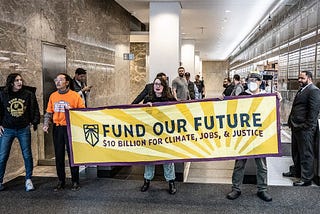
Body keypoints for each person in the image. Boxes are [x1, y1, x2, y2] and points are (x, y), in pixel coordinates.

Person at [226, 73, 275, 202]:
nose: (251, 83)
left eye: (253, 80)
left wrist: (278, 100)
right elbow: (233, 110)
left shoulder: (266, 97)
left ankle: (262, 189)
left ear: (259, 82)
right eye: (249, 80)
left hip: (260, 136)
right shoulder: (242, 96)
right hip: (244, 136)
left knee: (262, 165)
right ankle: (236, 188)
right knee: (239, 164)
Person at [43, 73, 85, 191]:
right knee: (59, 155)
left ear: (67, 82)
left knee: (72, 155)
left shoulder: (75, 96)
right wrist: (46, 124)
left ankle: (75, 181)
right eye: (56, 80)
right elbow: (49, 113)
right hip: (58, 128)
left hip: (70, 128)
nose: (58, 82)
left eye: (61, 80)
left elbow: (82, 112)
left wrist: (72, 112)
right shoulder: (53, 96)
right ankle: (61, 180)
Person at [0, 73, 40, 191]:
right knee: (2, 156)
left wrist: (34, 121)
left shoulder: (28, 94)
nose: (20, 82)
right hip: (7, 129)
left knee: (27, 155)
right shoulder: (3, 94)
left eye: (21, 80)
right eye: (17, 80)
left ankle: (28, 180)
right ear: (11, 82)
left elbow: (35, 108)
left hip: (23, 129)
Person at [140, 77, 177, 195]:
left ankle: (171, 182)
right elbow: (140, 114)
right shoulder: (148, 99)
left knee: (168, 159)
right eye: (156, 83)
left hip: (166, 134)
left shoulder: (170, 99)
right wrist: (146, 107)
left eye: (160, 84)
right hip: (151, 134)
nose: (157, 86)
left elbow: (177, 112)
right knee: (150, 158)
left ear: (164, 86)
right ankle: (147, 180)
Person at [283, 71, 320, 186]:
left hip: (305, 129)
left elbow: (313, 111)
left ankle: (306, 178)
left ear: (309, 78)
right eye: (299, 78)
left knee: (306, 153)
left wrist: (306, 126)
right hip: (296, 126)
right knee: (296, 151)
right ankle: (297, 171)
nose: (299, 80)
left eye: (302, 78)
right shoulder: (303, 89)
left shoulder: (314, 91)